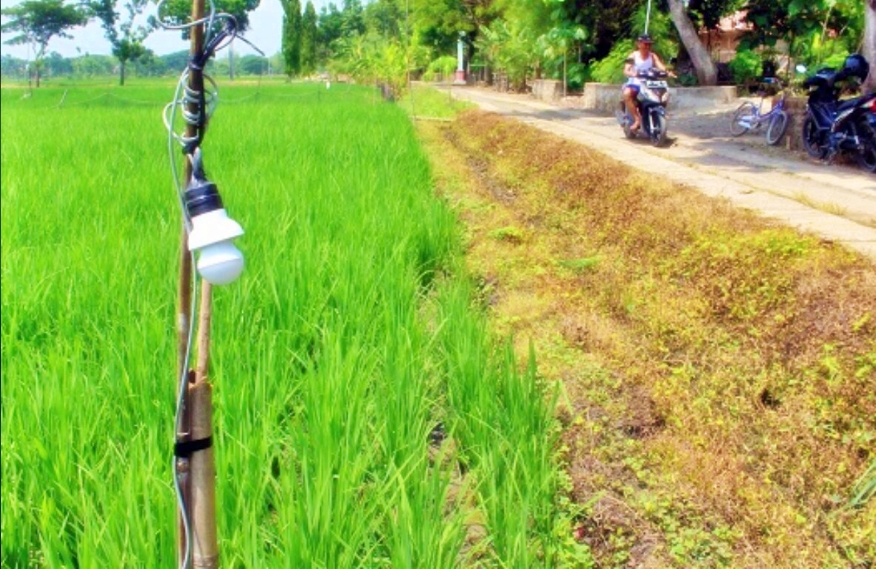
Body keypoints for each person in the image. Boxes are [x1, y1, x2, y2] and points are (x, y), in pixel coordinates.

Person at [622, 34, 675, 131]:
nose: (647, 46)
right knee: (627, 94)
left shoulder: (653, 56)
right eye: (645, 44)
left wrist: (667, 72)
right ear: (639, 44)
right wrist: (631, 73)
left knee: (664, 93)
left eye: (649, 44)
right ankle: (637, 119)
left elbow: (660, 66)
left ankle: (660, 112)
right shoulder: (633, 56)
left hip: (650, 83)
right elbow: (626, 69)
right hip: (636, 83)